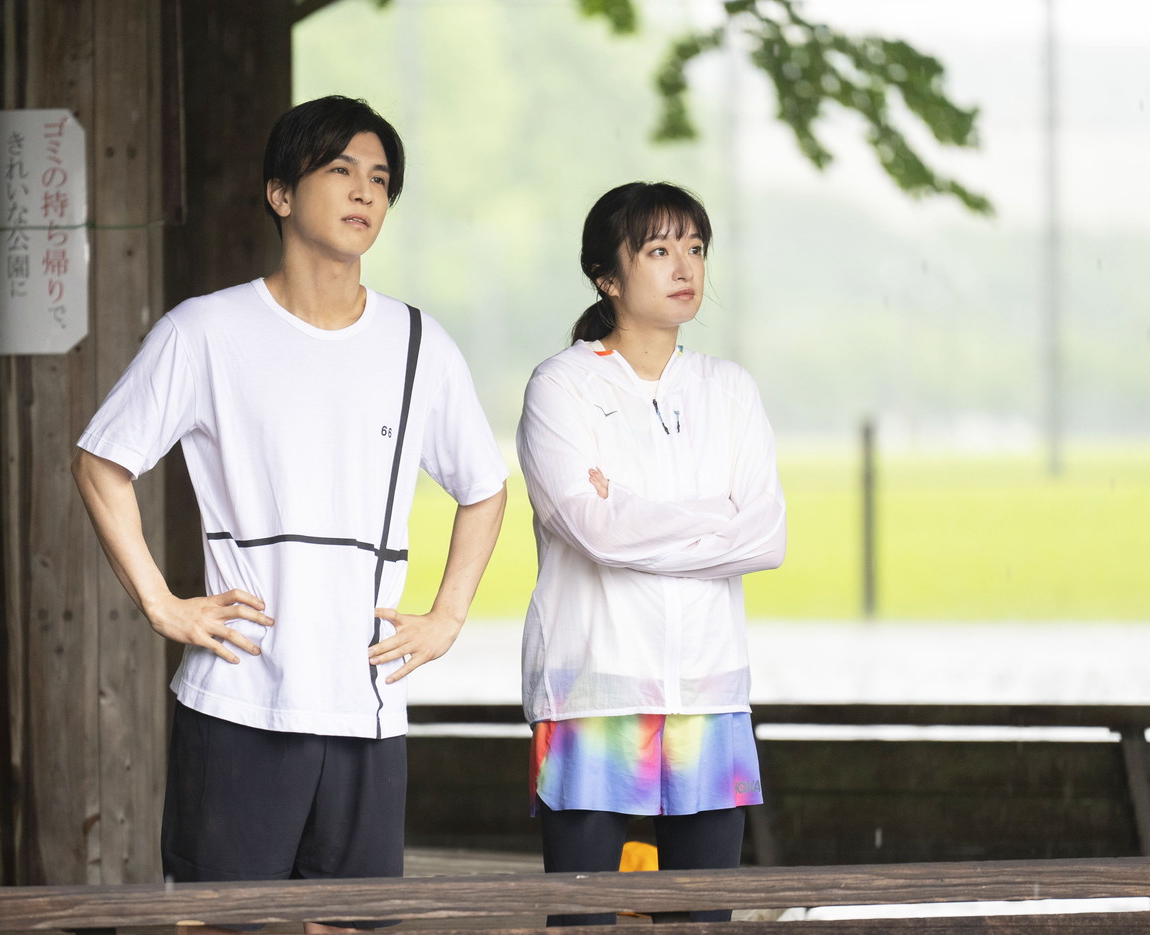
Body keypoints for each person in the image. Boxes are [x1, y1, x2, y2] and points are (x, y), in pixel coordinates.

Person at [72, 95, 508, 933]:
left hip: (365, 704)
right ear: (280, 193)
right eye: (340, 170)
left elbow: (484, 488)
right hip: (239, 698)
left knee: (354, 926)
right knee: (221, 924)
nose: (365, 191)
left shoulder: (420, 343)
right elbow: (101, 461)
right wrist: (161, 603)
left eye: (379, 178)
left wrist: (448, 614)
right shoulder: (206, 331)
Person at [516, 181, 786, 926]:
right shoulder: (562, 386)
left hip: (708, 692)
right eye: (659, 250)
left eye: (694, 248)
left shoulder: (729, 389)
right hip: (593, 689)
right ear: (607, 275)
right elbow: (592, 530)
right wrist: (714, 518)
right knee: (583, 918)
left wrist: (632, 511)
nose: (685, 266)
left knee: (701, 919)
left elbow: (766, 536)